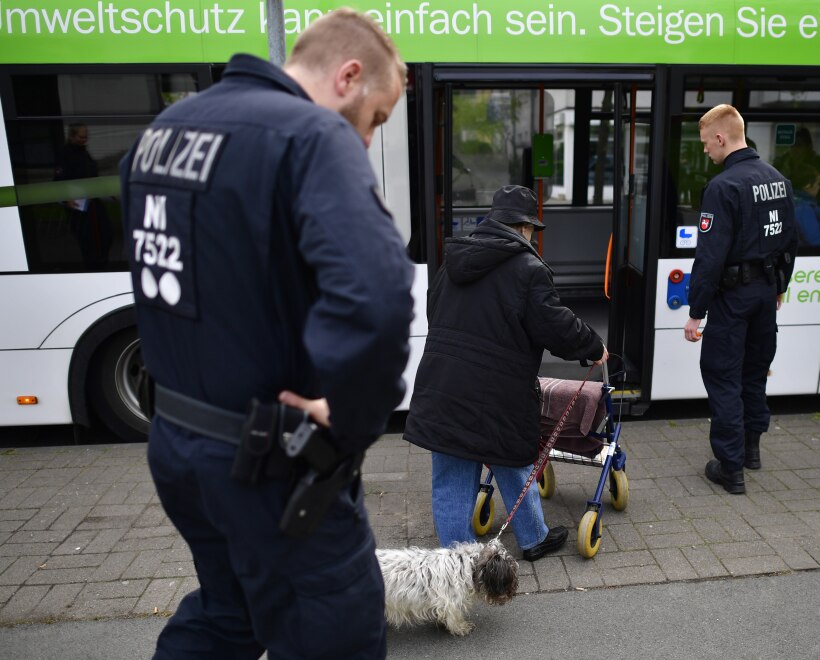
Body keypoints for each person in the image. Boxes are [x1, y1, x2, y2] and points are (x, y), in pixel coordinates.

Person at [119, 9, 413, 659]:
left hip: (177, 446)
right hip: (272, 462)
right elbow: (377, 295)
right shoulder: (310, 136)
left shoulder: (165, 131)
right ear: (349, 76)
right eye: (377, 118)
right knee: (336, 629)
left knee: (230, 616)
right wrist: (349, 424)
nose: (366, 139)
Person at [403, 185, 609, 561]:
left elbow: (436, 313)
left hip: (442, 383)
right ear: (525, 227)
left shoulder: (454, 260)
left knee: (452, 467)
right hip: (497, 392)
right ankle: (532, 539)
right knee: (512, 457)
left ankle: (455, 561)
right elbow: (554, 324)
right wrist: (593, 347)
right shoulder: (527, 269)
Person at [684, 104, 798, 495]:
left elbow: (710, 257)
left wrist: (695, 313)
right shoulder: (778, 179)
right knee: (754, 372)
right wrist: (780, 286)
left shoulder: (723, 187)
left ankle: (730, 468)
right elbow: (790, 242)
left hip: (733, 298)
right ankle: (752, 449)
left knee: (723, 375)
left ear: (720, 138)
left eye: (705, 144)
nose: (705, 152)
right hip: (766, 295)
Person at [54, 123, 112, 268]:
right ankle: (93, 267)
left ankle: (101, 263)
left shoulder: (83, 152)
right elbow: (58, 182)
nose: (84, 139)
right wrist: (66, 200)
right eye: (81, 136)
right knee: (87, 240)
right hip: (78, 206)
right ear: (72, 136)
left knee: (106, 234)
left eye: (86, 136)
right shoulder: (65, 154)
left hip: (92, 202)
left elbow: (91, 175)